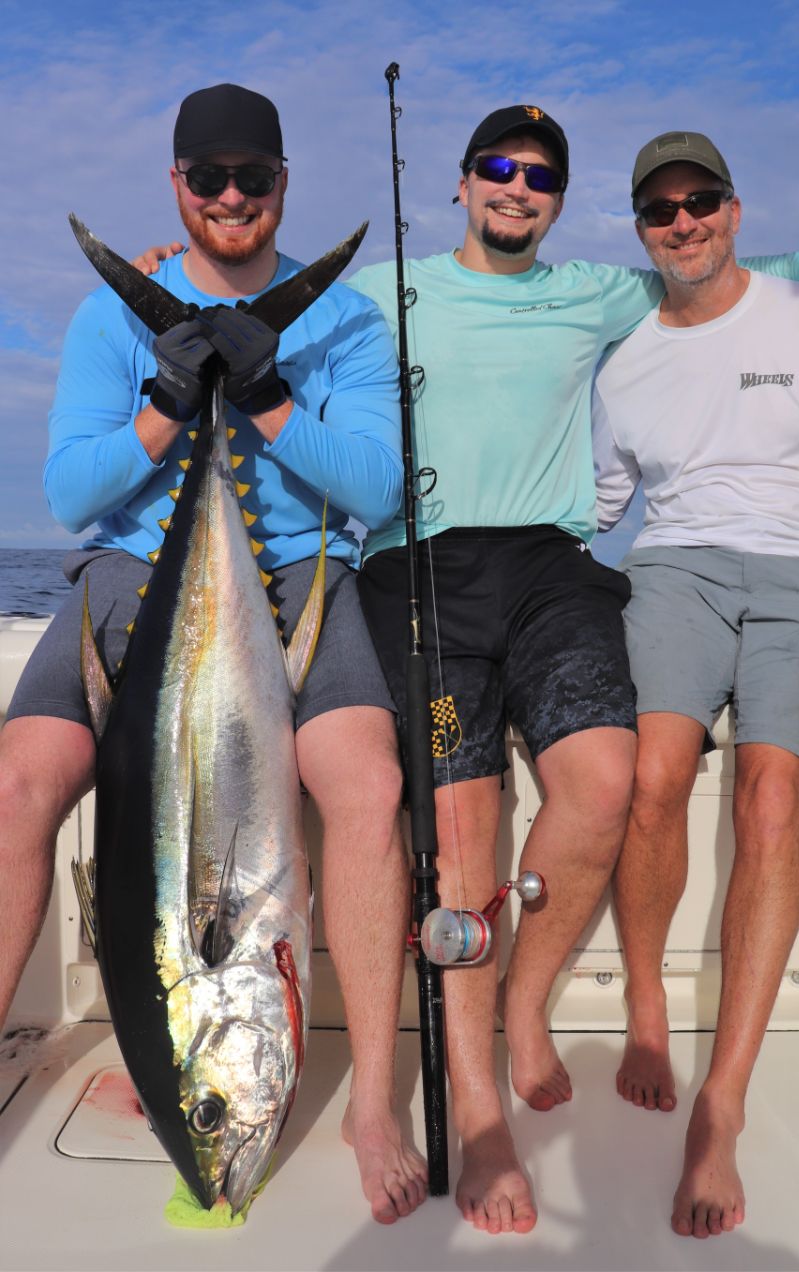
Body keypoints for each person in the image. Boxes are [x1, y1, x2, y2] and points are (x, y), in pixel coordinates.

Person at [135, 105, 799, 1237]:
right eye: (497, 168)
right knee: (465, 822)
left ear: (561, 201)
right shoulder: (385, 287)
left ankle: (522, 1004)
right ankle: (475, 1108)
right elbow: (252, 299)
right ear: (465, 183)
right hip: (414, 571)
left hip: (549, 569)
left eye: (539, 175)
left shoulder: (595, 292)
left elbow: (698, 273)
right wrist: (169, 283)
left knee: (606, 779)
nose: (516, 186)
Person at [0, 83, 427, 1226]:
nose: (231, 196)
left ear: (283, 183)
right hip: (136, 573)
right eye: (209, 178)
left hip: (295, 580)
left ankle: (376, 1102)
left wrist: (272, 396)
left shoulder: (345, 324)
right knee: (14, 787)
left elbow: (379, 492)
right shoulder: (116, 319)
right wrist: (167, 401)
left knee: (371, 785)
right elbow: (71, 491)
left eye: (253, 177)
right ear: (178, 187)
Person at [592, 129, 799, 1240]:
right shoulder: (624, 358)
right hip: (675, 570)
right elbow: (600, 502)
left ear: (735, 208)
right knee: (654, 775)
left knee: (774, 797)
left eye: (702, 200)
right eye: (662, 210)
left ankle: (721, 1103)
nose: (685, 223)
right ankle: (642, 1000)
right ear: (641, 229)